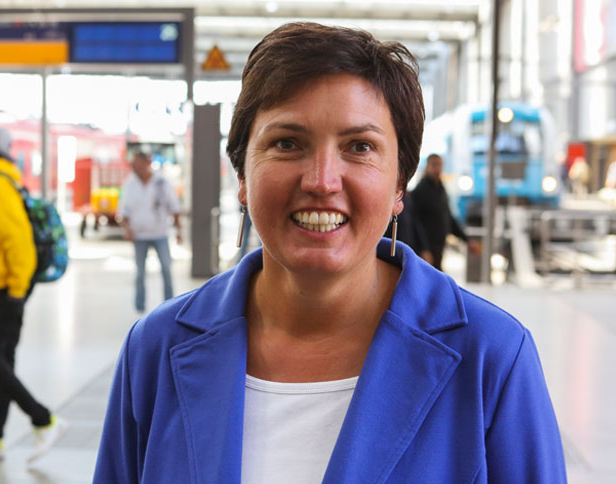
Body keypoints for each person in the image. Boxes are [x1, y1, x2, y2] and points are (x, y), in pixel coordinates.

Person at [94, 23, 566, 483]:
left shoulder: (491, 359)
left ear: (399, 184)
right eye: (286, 143)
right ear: (242, 175)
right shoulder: (156, 350)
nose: (321, 180)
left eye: (359, 146)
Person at [0, 125, 66, 464]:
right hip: (7, 286)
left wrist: (15, 290)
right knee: (4, 360)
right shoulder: (4, 178)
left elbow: (17, 238)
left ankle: (43, 419)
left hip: (6, 288)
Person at [117, 151, 182, 313]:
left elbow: (174, 208)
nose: (134, 168)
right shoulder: (130, 184)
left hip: (160, 234)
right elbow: (123, 212)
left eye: (137, 164)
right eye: (133, 165)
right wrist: (127, 230)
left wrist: (179, 231)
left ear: (147, 163)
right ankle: (140, 305)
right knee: (140, 272)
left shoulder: (161, 183)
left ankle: (169, 305)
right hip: (139, 236)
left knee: (166, 269)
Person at [411, 153, 477, 271]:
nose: (437, 168)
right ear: (427, 167)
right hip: (426, 251)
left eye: (440, 165)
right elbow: (416, 222)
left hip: (439, 247)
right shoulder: (421, 191)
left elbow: (448, 218)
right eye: (434, 165)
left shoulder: (440, 188)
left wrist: (467, 240)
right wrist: (424, 249)